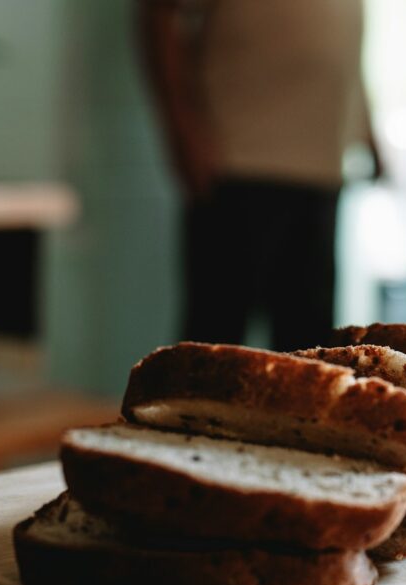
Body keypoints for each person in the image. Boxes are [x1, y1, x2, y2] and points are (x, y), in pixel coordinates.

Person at [138, 0, 371, 350]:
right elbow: (160, 15)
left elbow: (341, 49)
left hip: (321, 170)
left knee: (307, 350)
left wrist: (370, 134)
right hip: (239, 166)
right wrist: (182, 131)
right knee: (214, 347)